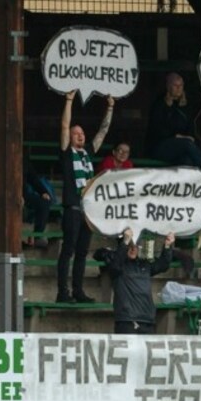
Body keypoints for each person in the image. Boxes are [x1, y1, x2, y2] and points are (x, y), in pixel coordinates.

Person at [56, 90, 114, 303]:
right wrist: (69, 101)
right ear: (70, 138)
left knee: (82, 254)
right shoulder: (66, 152)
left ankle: (78, 291)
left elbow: (103, 132)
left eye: (81, 133)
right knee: (68, 252)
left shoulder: (87, 152)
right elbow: (64, 126)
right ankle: (62, 292)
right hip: (72, 209)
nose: (80, 135)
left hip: (88, 212)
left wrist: (110, 108)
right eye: (76, 133)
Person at [97, 229, 175, 334]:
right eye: (130, 246)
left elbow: (163, 265)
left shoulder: (144, 265)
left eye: (135, 246)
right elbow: (114, 265)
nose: (133, 249)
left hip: (148, 319)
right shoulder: (117, 265)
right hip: (127, 321)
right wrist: (125, 242)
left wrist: (167, 246)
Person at [144, 72, 201, 167]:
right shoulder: (159, 104)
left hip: (180, 148)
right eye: (175, 85)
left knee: (187, 161)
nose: (179, 88)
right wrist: (176, 136)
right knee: (187, 144)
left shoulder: (186, 105)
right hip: (160, 147)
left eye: (181, 85)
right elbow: (157, 129)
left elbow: (190, 128)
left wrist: (188, 136)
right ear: (168, 86)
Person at [23, 157, 53, 249]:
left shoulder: (22, 159)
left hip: (23, 195)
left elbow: (33, 178)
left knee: (44, 202)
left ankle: (37, 236)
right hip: (4, 197)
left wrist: (43, 192)